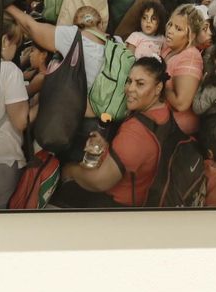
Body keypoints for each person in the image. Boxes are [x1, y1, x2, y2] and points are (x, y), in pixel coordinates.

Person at [57, 57, 174, 207]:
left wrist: (70, 171)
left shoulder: (136, 132)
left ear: (158, 88)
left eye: (140, 84)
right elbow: (138, 156)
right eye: (129, 81)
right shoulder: (163, 111)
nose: (130, 89)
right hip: (143, 195)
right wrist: (107, 147)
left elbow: (100, 181)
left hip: (116, 205)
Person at [0, 15, 34, 209]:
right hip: (4, 160)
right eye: (16, 43)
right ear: (5, 41)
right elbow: (21, 121)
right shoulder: (8, 69)